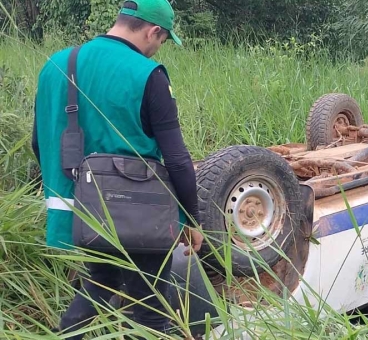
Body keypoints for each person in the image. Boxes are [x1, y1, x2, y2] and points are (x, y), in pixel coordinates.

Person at [31, 0, 204, 337]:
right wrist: (191, 218)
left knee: (101, 282)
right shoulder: (148, 75)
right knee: (150, 313)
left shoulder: (54, 65)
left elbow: (39, 143)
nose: (157, 49)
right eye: (163, 40)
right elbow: (178, 159)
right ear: (153, 31)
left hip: (81, 213)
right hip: (140, 215)